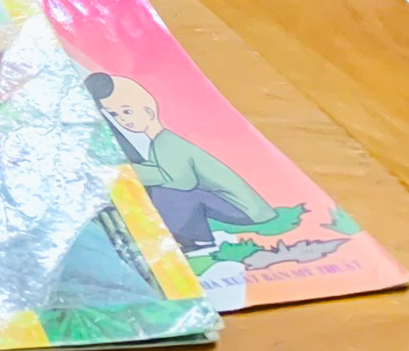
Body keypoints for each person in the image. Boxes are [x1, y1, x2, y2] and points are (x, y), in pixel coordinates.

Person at [86, 72, 279, 253]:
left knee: (168, 192)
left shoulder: (168, 142)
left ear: (148, 112)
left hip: (245, 209)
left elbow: (181, 181)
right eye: (115, 115)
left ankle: (198, 240)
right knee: (164, 189)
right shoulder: (159, 142)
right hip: (231, 203)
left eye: (127, 112)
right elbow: (162, 172)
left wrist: (125, 171)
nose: (122, 119)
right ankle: (195, 237)